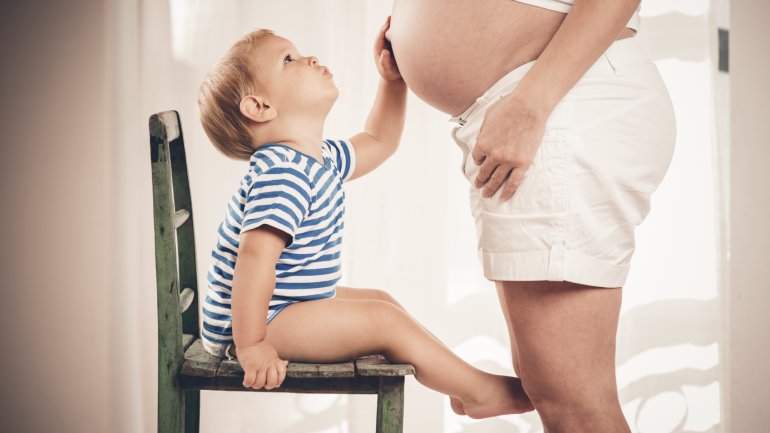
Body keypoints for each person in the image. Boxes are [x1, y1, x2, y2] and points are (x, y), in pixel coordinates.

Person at [195, 22, 534, 418]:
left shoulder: (319, 158)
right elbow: (253, 263)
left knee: (382, 301)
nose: (310, 58)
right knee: (382, 320)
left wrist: (392, 81)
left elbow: (378, 140)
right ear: (259, 107)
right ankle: (477, 391)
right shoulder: (282, 175)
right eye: (288, 59)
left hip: (283, 305)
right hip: (257, 321)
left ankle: (459, 385)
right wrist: (252, 346)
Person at [386, 0, 676, 432]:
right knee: (553, 389)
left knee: (577, 404)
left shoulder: (537, 104)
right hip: (533, 106)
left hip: (553, 102)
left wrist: (531, 104)